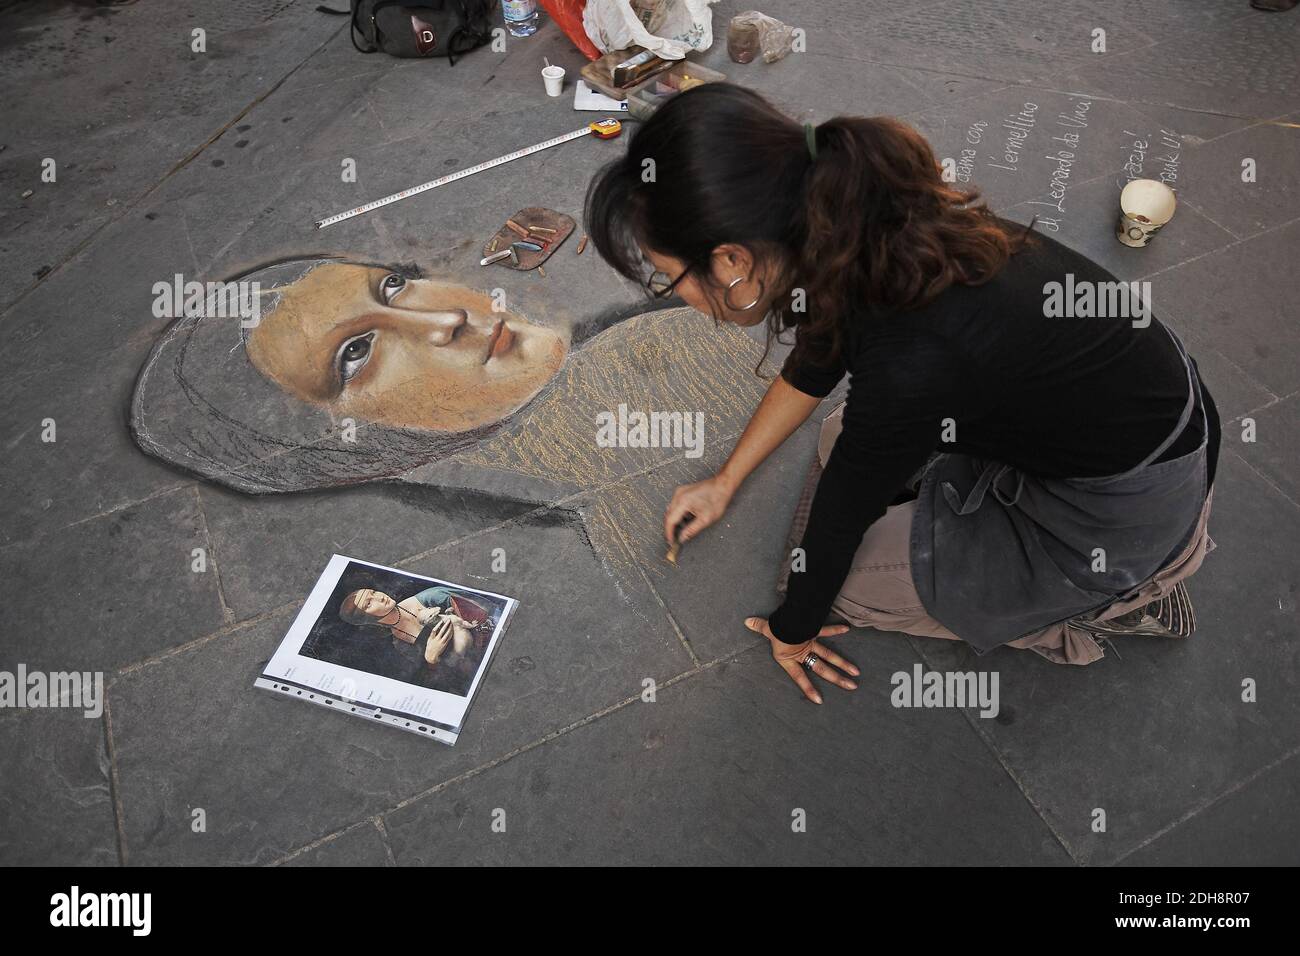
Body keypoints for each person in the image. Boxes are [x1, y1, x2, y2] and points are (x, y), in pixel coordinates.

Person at [584, 82, 1221, 701]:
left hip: (1122, 505)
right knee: (843, 436)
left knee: (839, 581)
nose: (681, 298)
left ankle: (1121, 600)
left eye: (671, 278)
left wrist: (794, 629)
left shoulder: (912, 357)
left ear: (731, 261)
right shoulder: (848, 215)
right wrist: (725, 481)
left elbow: (839, 517)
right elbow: (819, 356)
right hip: (1118, 413)